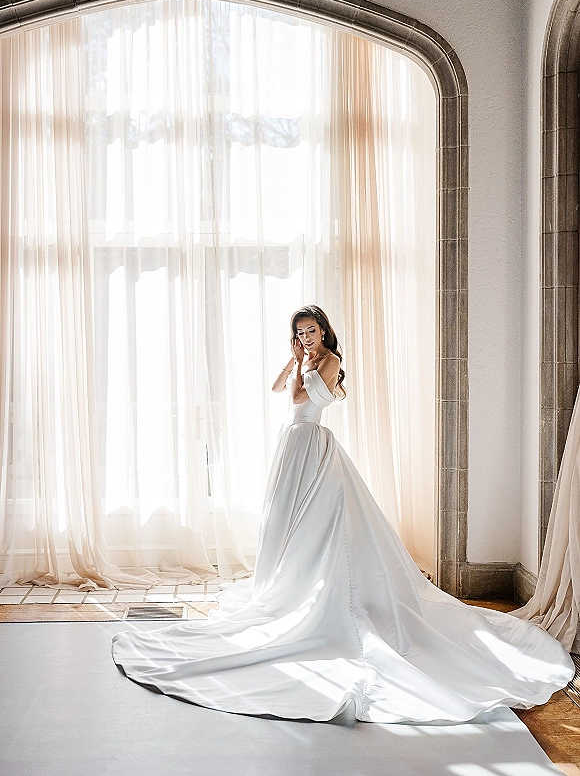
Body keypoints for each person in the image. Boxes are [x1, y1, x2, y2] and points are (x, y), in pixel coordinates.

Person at [112, 305, 574, 724]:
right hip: (293, 445)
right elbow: (277, 387)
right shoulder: (305, 358)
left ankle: (329, 595)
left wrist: (306, 362)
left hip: (312, 443)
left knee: (326, 527)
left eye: (311, 330)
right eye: (299, 332)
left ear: (324, 330)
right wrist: (293, 357)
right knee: (285, 525)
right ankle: (288, 585)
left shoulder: (329, 361)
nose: (307, 337)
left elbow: (299, 400)